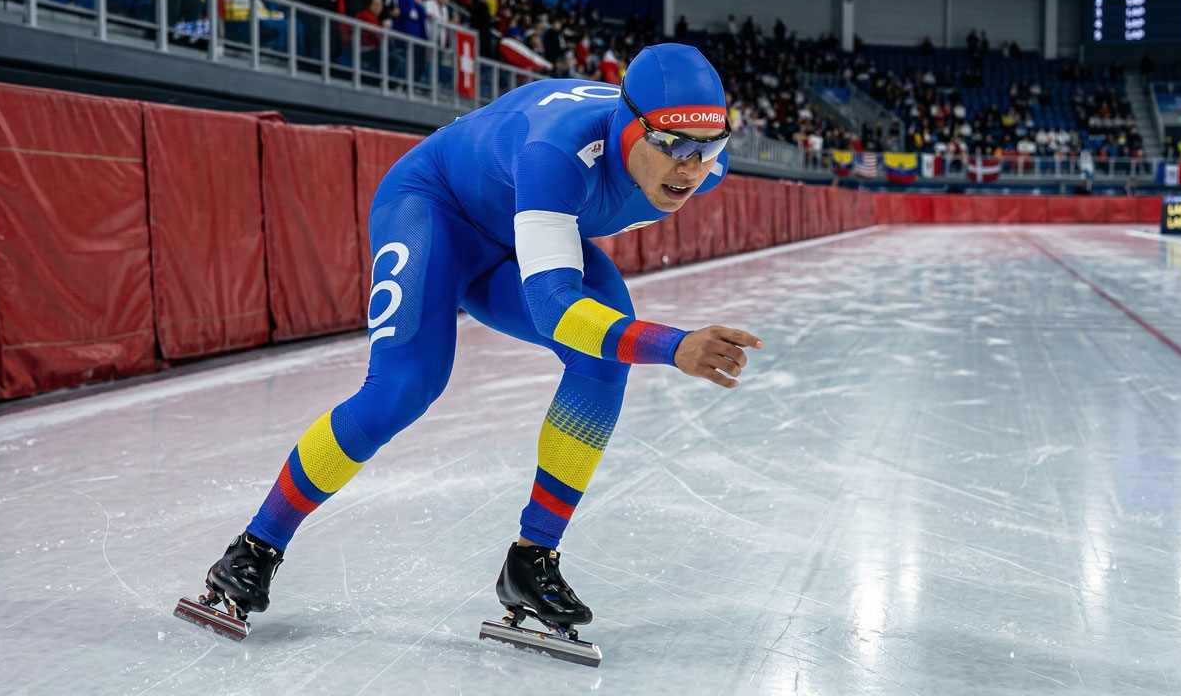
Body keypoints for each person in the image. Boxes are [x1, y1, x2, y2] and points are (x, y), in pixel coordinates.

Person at [188, 44, 762, 643]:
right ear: (630, 123)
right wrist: (674, 346)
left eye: (708, 147)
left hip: (517, 232)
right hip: (436, 208)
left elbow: (572, 278)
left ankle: (531, 560)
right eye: (672, 145)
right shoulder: (556, 153)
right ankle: (254, 547)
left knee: (601, 362)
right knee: (406, 385)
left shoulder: (699, 162)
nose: (691, 169)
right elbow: (554, 309)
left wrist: (688, 150)